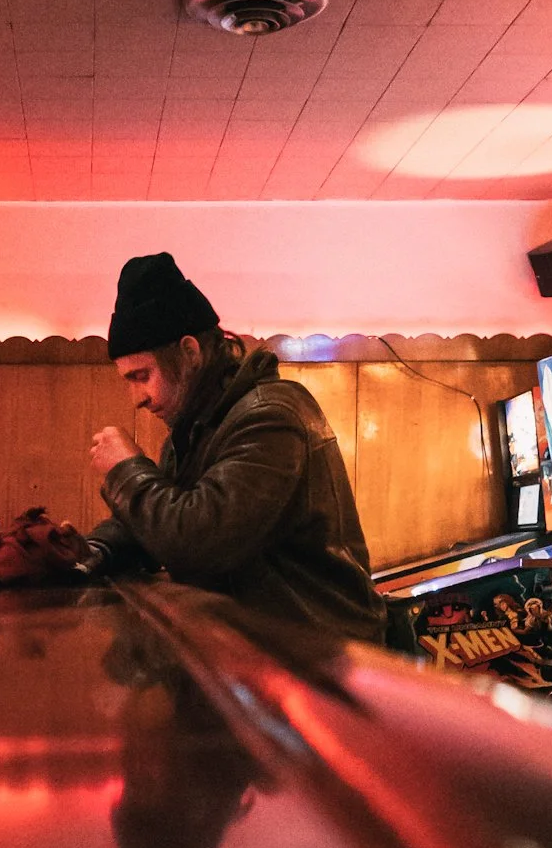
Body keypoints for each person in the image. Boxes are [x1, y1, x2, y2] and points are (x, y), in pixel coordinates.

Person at [79, 252, 386, 642]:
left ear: (190, 352)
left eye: (142, 376)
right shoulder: (196, 423)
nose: (136, 397)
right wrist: (88, 552)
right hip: (264, 648)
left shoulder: (271, 417)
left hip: (322, 654)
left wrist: (126, 468)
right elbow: (154, 526)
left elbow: (197, 541)